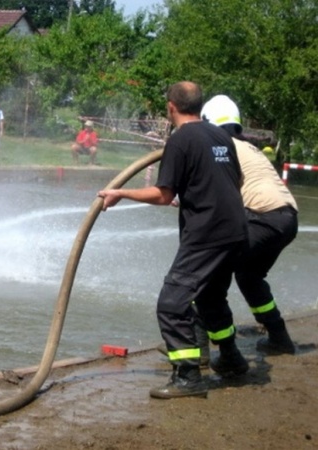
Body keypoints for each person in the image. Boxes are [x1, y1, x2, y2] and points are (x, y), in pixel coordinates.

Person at [98, 81, 249, 399]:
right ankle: (232, 359)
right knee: (210, 299)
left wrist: (121, 193)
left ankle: (188, 376)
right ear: (199, 105)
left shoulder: (180, 140)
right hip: (237, 230)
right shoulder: (221, 135)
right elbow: (237, 180)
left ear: (171, 107)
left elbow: (163, 195)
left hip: (207, 233)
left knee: (171, 304)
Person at [201, 95, 297, 355]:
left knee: (206, 274)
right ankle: (278, 336)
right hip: (287, 219)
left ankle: (211, 351)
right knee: (249, 275)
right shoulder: (246, 147)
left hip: (262, 217)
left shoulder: (220, 147)